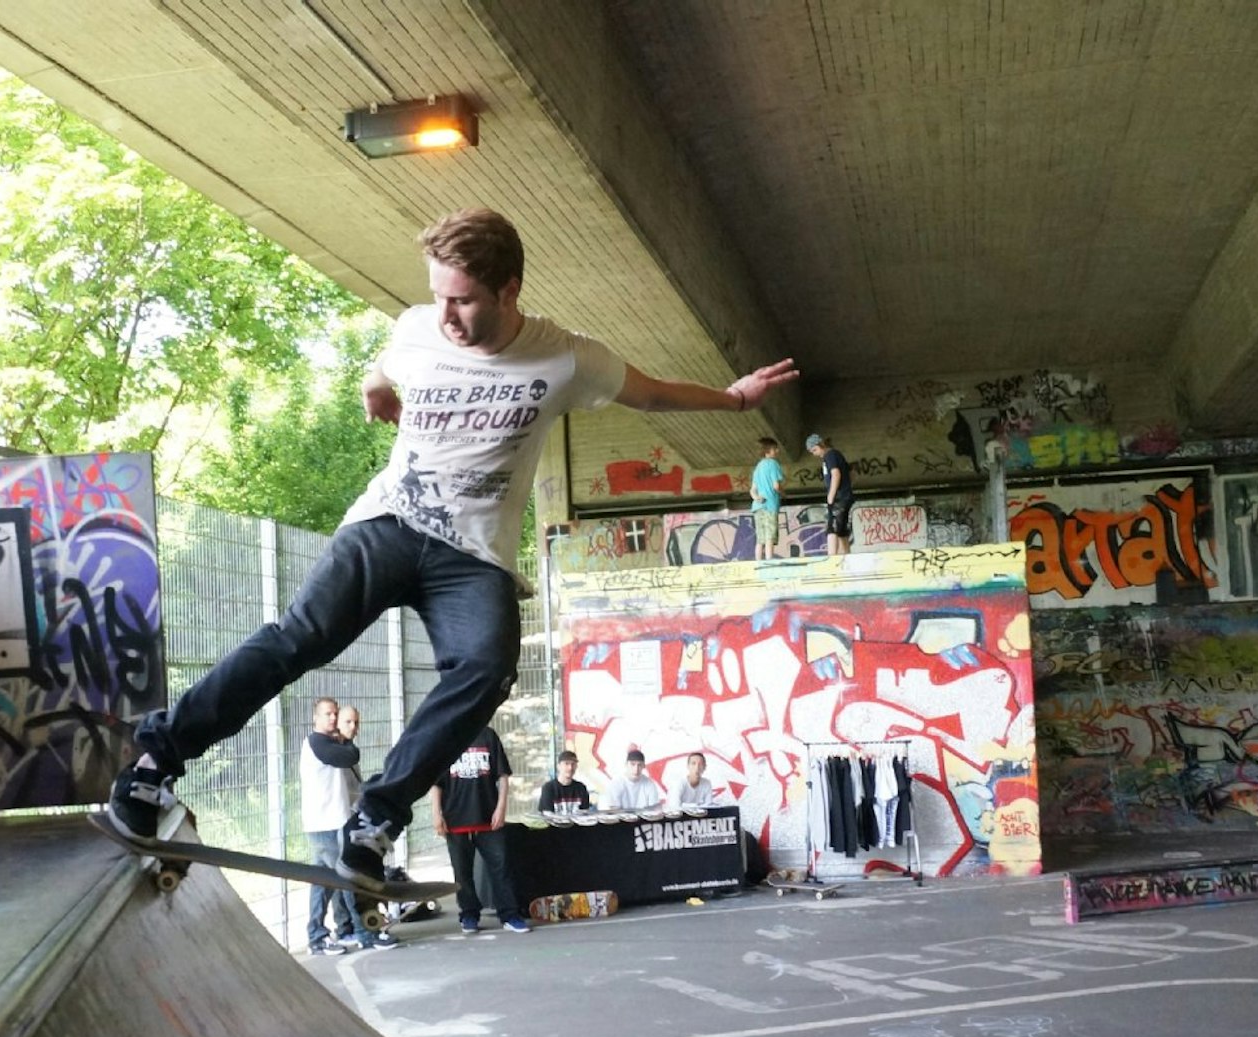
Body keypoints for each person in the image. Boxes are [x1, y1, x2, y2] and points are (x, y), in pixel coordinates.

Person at [108, 207, 798, 892]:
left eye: (463, 301)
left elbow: (649, 395)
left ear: (509, 291)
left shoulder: (566, 357)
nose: (446, 316)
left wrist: (735, 401)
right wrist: (374, 390)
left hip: (472, 558)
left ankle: (375, 820)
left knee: (488, 665)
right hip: (388, 523)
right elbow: (381, 370)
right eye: (439, 295)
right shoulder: (416, 328)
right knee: (301, 636)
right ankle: (156, 759)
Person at [299, 697, 378, 956]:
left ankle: (318, 935)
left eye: (335, 713)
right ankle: (366, 932)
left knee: (322, 883)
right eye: (328, 714)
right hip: (326, 825)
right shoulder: (317, 743)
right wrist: (347, 742)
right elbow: (350, 756)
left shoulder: (329, 744)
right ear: (316, 718)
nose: (333, 719)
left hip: (329, 823)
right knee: (348, 877)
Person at [431, 725, 527, 934]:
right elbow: (436, 782)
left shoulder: (488, 735)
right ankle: (469, 914)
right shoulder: (446, 736)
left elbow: (502, 776)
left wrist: (501, 807)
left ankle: (510, 914)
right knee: (462, 872)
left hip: (488, 818)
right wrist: (436, 813)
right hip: (456, 818)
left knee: (501, 867)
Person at [334, 705, 398, 950]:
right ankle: (365, 932)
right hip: (336, 824)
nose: (354, 728)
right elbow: (349, 756)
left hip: (348, 821)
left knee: (332, 884)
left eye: (357, 723)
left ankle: (339, 930)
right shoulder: (327, 748)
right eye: (348, 722)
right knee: (356, 880)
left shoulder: (342, 748)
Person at [808, 433, 854, 555]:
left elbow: (836, 474)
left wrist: (831, 495)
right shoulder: (835, 454)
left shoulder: (830, 455)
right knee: (841, 529)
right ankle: (847, 555)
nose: (814, 453)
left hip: (838, 497)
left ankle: (832, 557)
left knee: (831, 528)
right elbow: (850, 473)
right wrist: (847, 487)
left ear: (821, 445)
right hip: (845, 495)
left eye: (814, 450)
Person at [749, 437, 785, 560]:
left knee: (760, 538)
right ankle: (769, 561)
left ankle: (758, 562)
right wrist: (783, 493)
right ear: (768, 451)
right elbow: (776, 485)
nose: (777, 451)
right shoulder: (773, 464)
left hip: (757, 506)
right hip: (770, 504)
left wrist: (757, 498)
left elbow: (752, 490)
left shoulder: (758, 467)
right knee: (770, 535)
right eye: (775, 449)